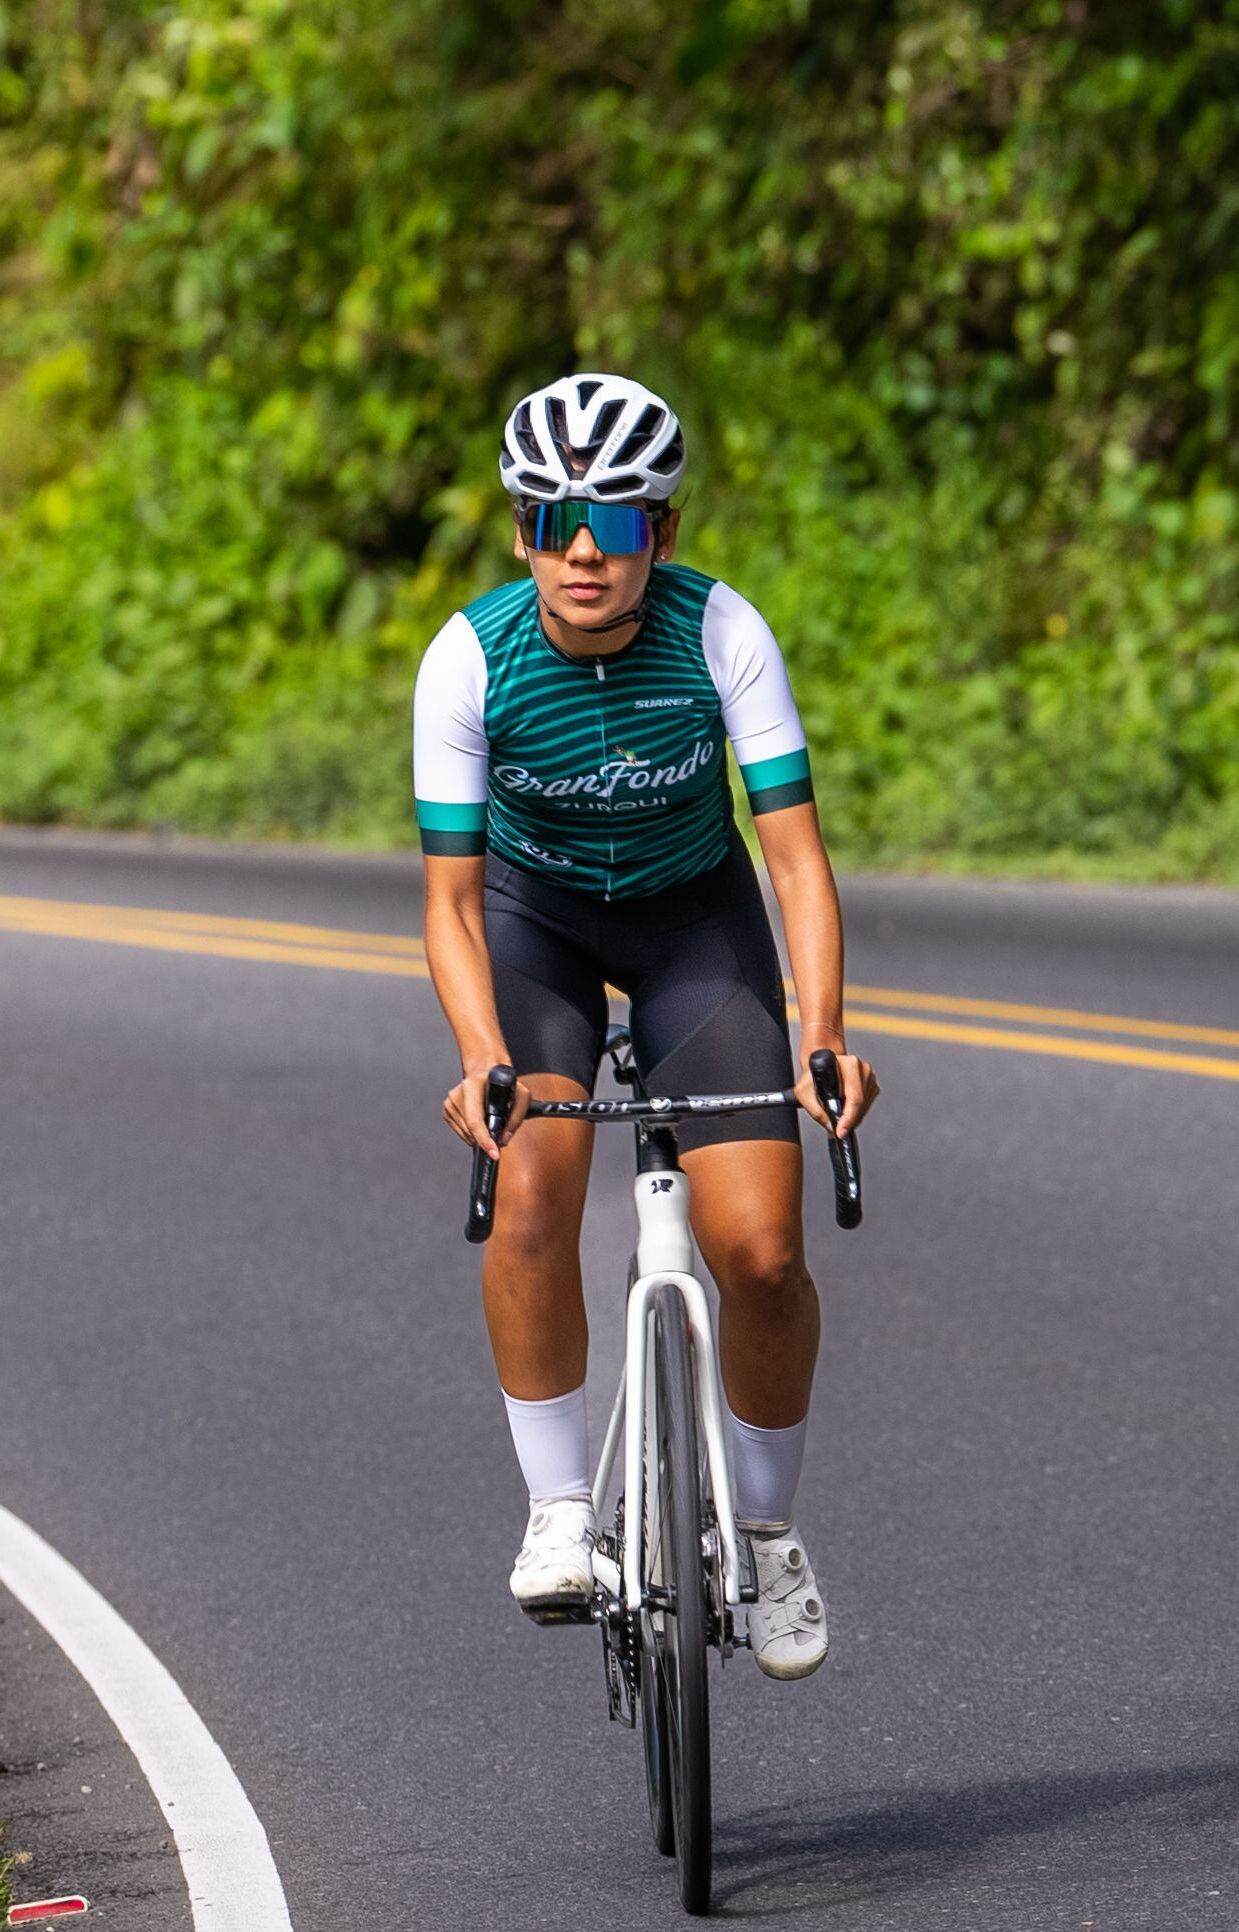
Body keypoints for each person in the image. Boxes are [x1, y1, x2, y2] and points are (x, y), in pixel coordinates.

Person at [417, 371, 879, 1678]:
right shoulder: (470, 656)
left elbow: (793, 860)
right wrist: (482, 1059)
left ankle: (771, 1530)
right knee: (533, 1191)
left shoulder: (719, 633)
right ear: (521, 529)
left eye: (615, 526)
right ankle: (560, 1508)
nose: (582, 549)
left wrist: (825, 1031)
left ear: (660, 539)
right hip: (535, 929)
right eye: (555, 519)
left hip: (692, 922)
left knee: (766, 1253)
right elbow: (450, 902)